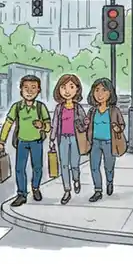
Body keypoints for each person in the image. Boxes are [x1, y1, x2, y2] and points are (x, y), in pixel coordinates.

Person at [0, 75, 51, 208]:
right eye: (26, 87)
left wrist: (42, 126)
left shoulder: (40, 107)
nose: (29, 91)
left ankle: (36, 188)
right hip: (21, 142)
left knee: (37, 167)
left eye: (33, 88)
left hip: (36, 141)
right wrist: (1, 142)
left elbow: (49, 125)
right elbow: (8, 124)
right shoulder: (17, 107)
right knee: (20, 169)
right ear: (21, 90)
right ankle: (22, 194)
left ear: (38, 90)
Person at [48, 74, 88, 205]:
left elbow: (84, 123)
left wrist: (86, 122)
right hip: (62, 139)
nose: (67, 90)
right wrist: (52, 138)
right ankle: (67, 190)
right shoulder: (59, 108)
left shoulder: (78, 107)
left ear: (77, 89)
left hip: (75, 138)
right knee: (64, 164)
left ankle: (76, 179)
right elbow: (54, 124)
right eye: (63, 87)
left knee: (74, 164)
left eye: (71, 87)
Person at [84, 77, 125, 202]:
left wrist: (118, 128)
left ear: (110, 93)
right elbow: (86, 125)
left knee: (108, 166)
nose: (100, 94)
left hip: (109, 143)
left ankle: (109, 182)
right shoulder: (92, 111)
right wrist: (85, 123)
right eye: (97, 90)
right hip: (95, 142)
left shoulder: (114, 111)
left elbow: (121, 125)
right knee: (94, 167)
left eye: (104, 90)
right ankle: (97, 190)